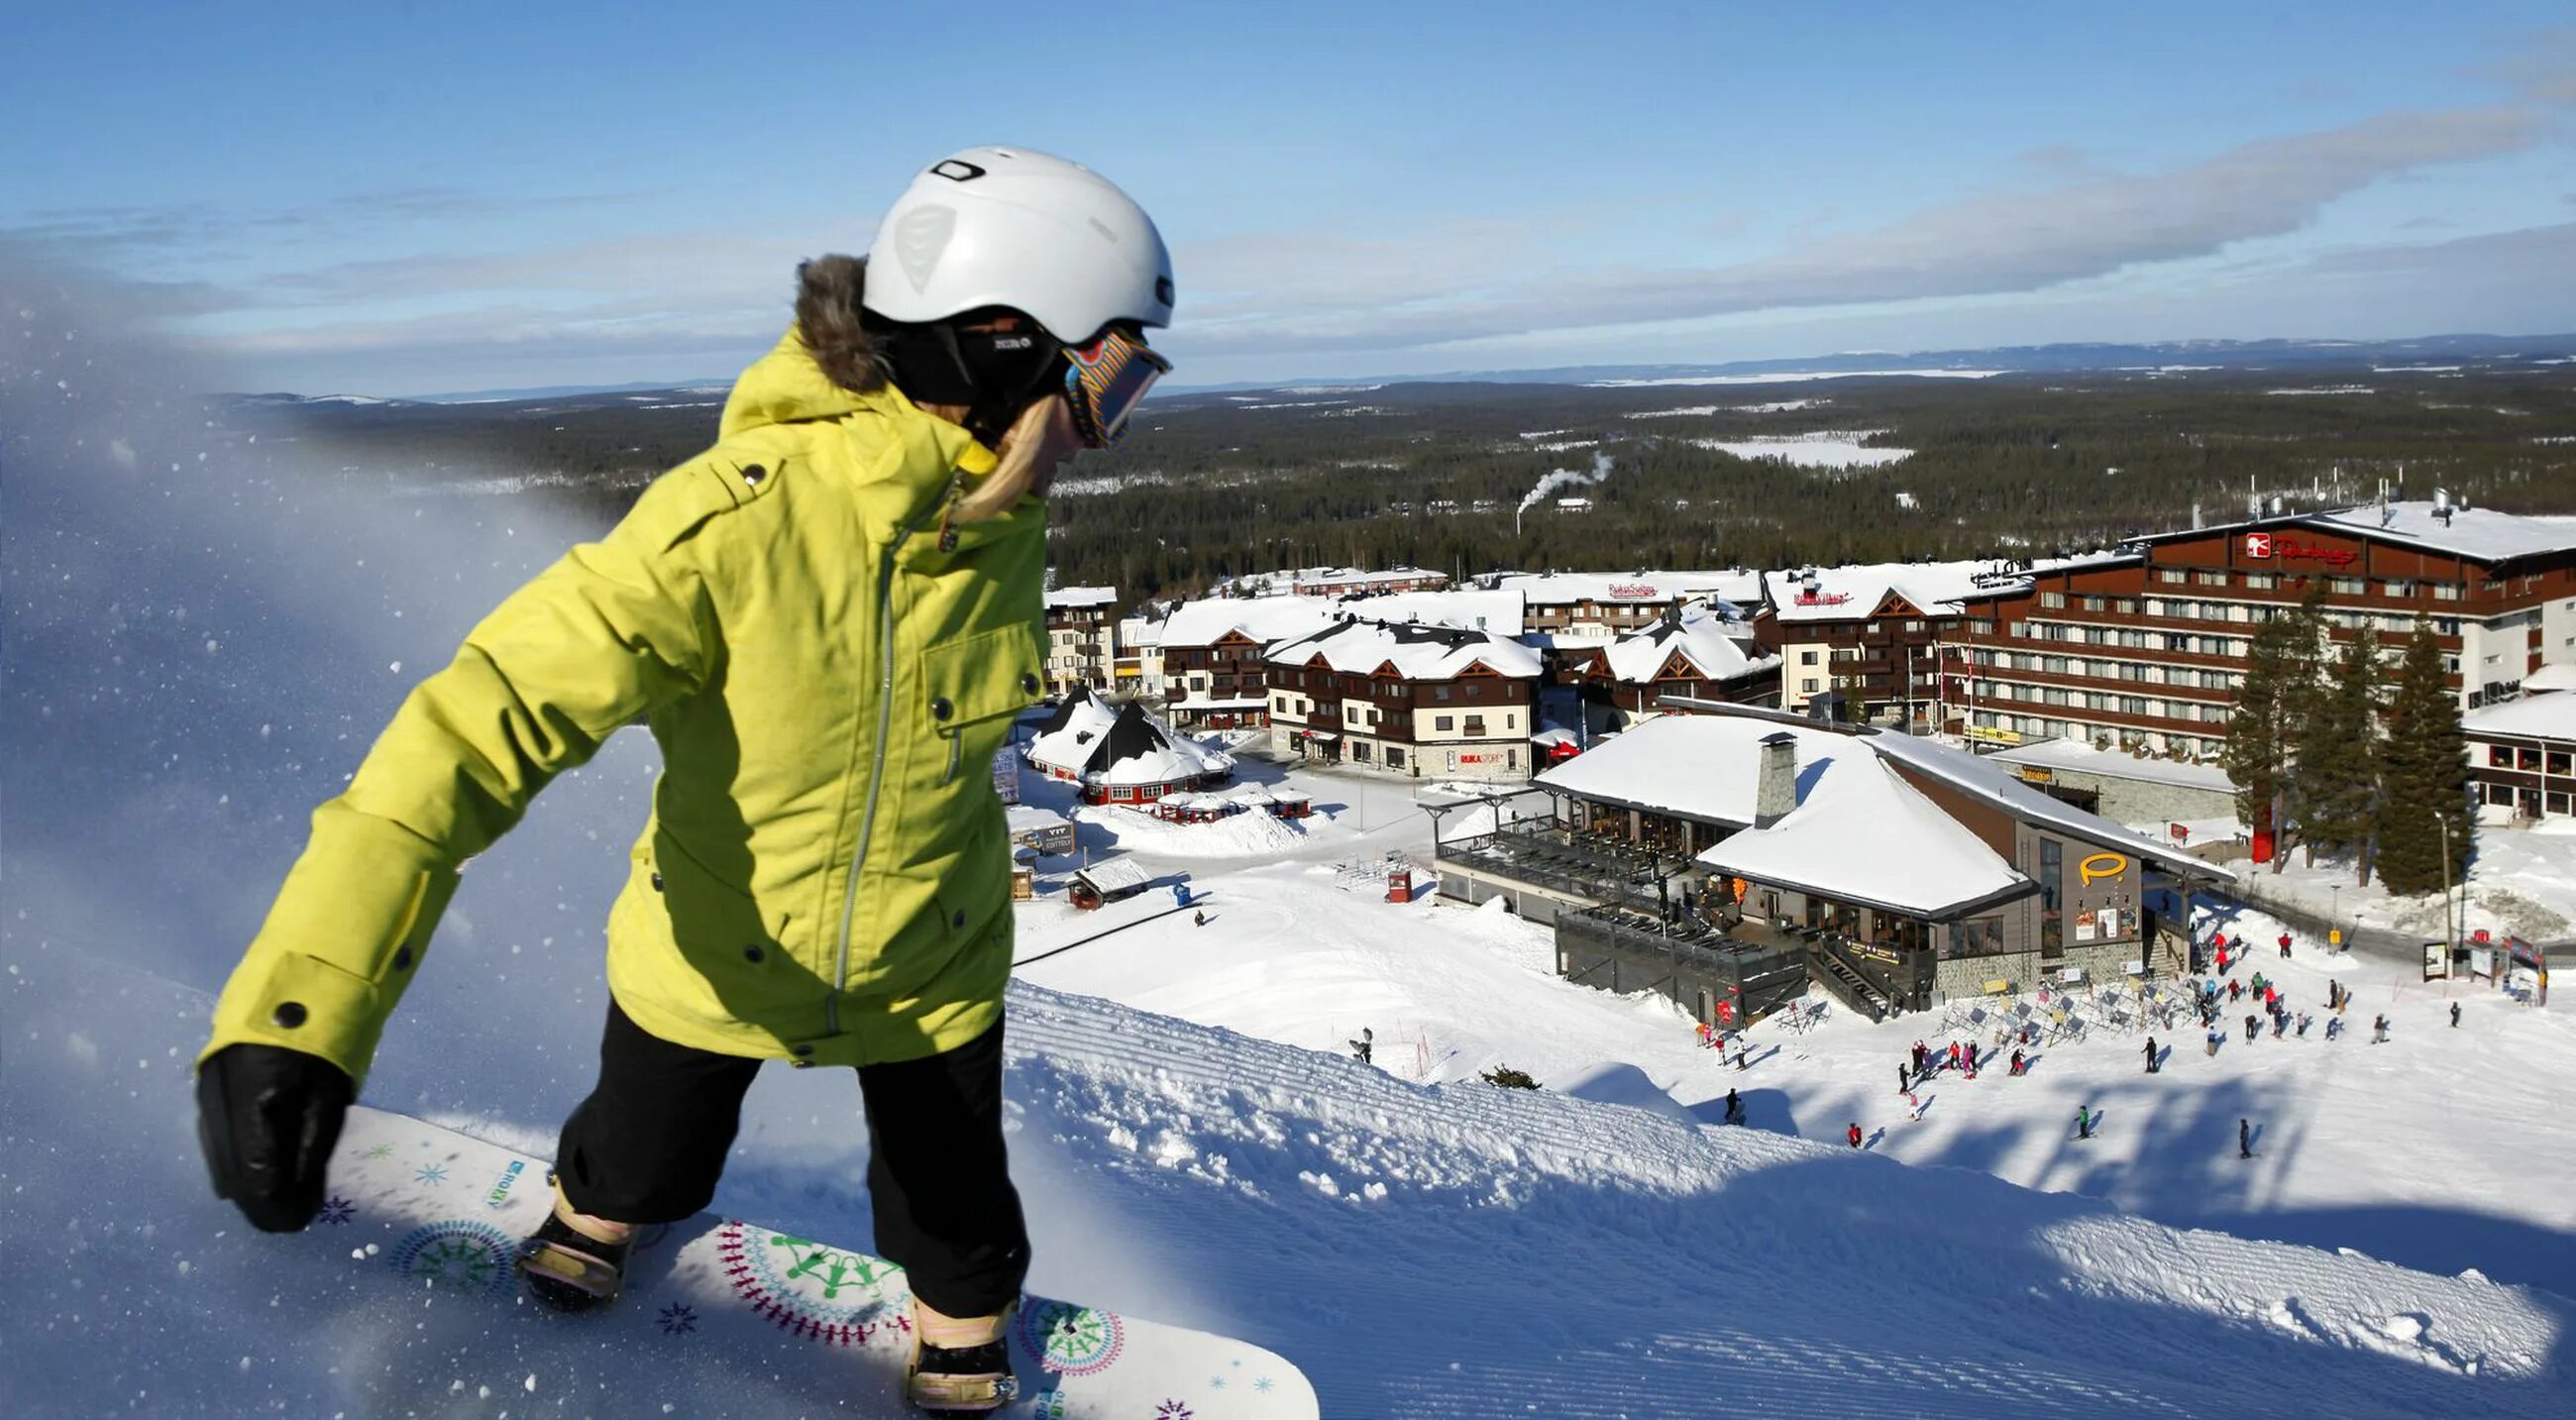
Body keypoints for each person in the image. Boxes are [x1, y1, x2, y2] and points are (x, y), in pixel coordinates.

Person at [187, 147, 1177, 1415]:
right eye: (1108, 377)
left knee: (955, 1203)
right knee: (640, 1151)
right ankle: (596, 1217)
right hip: (712, 941)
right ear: (998, 342)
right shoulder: (729, 523)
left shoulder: (997, 513)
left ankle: (959, 1322)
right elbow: (467, 732)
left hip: (933, 956)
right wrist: (300, 1016)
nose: (1109, 422)